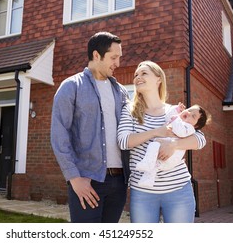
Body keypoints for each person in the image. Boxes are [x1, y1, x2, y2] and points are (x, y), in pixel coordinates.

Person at [50, 32, 130, 223]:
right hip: (87, 181)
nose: (118, 63)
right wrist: (74, 179)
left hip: (119, 181)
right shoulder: (71, 86)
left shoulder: (121, 92)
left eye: (119, 58)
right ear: (96, 55)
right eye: (113, 57)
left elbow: (133, 128)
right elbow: (59, 135)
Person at [117, 60, 207, 223]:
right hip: (142, 192)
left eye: (144, 73)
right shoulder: (130, 111)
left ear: (159, 79)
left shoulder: (174, 111)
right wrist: (158, 131)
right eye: (136, 75)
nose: (138, 77)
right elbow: (123, 141)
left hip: (178, 190)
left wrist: (174, 145)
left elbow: (200, 139)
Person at [135, 103, 209, 187]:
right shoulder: (178, 119)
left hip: (171, 157)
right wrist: (176, 110)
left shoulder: (189, 129)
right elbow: (168, 117)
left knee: (154, 157)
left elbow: (180, 131)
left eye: (193, 116)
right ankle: (147, 178)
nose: (189, 113)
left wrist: (178, 117)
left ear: (196, 125)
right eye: (189, 110)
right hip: (160, 150)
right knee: (153, 149)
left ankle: (148, 165)